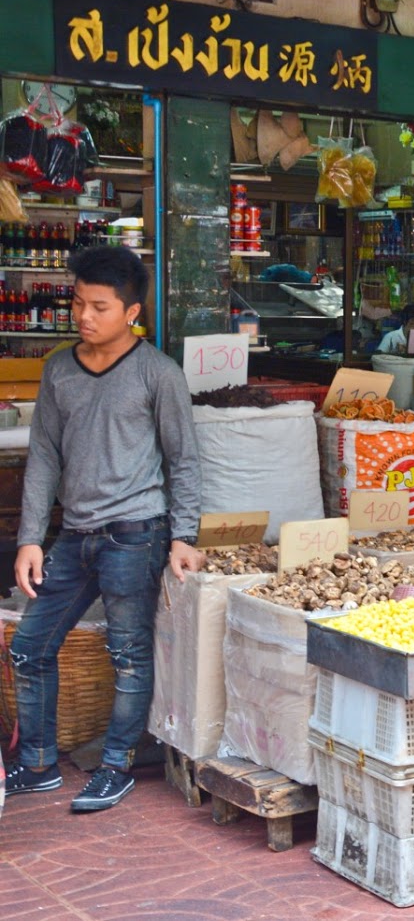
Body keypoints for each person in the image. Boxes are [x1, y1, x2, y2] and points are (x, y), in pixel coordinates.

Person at [4, 246, 203, 813]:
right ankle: (38, 762)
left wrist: (183, 536)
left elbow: (184, 459)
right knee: (29, 646)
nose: (83, 316)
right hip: (75, 537)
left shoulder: (157, 373)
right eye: (76, 302)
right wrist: (29, 539)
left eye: (98, 306)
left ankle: (115, 766)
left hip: (136, 534)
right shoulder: (59, 370)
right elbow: (42, 456)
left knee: (129, 654)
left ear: (131, 312)